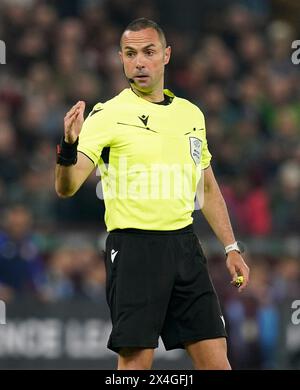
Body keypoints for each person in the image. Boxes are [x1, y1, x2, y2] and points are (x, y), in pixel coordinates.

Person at [55, 18, 250, 370]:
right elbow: (66, 187)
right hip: (134, 249)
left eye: (148, 52)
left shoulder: (191, 114)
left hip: (185, 247)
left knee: (218, 362)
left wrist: (231, 247)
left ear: (166, 55)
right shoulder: (107, 115)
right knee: (135, 365)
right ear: (121, 59)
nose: (140, 62)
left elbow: (206, 186)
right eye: (131, 54)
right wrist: (68, 146)